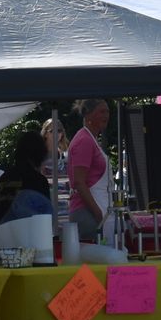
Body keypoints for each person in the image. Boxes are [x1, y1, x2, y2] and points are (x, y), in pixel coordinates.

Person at [63, 99, 113, 244]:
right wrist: (98, 213)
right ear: (88, 116)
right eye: (101, 112)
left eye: (108, 111)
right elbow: (79, 182)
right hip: (87, 213)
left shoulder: (91, 140)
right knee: (90, 265)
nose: (106, 116)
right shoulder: (84, 140)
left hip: (95, 211)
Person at [0, 132, 54, 226]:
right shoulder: (37, 180)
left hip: (0, 234)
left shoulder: (3, 178)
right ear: (40, 153)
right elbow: (45, 218)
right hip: (26, 233)